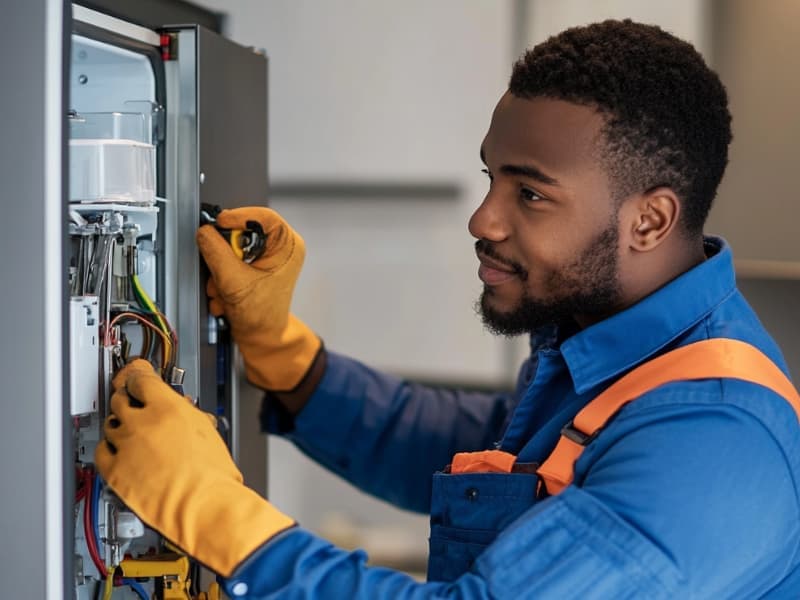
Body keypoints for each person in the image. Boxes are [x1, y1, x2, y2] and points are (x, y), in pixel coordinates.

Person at [95, 19, 800, 598]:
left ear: (648, 221)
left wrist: (220, 516)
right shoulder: (607, 346)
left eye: (529, 194)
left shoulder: (713, 440)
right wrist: (284, 354)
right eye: (491, 178)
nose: (483, 220)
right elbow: (470, 455)